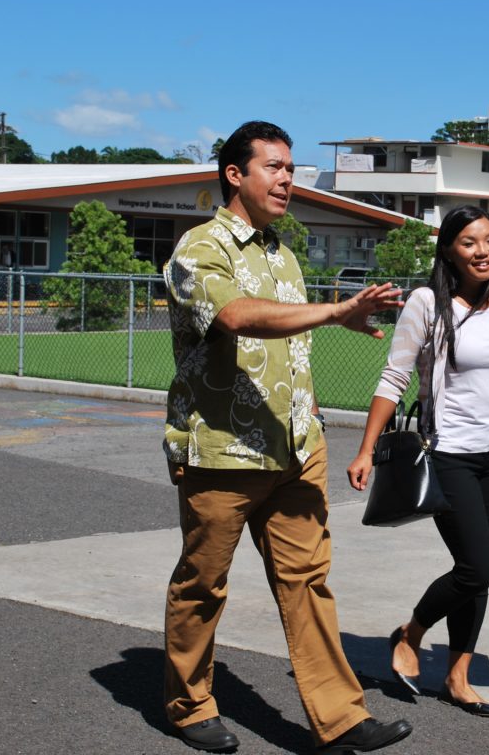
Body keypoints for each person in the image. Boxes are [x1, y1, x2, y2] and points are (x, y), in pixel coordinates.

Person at [163, 120, 413, 754]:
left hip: (296, 449)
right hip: (223, 451)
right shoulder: (202, 247)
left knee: (308, 581)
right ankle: (190, 705)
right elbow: (235, 317)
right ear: (235, 174)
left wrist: (316, 410)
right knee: (203, 581)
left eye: (291, 169)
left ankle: (341, 718)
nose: (287, 179)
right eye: (274, 167)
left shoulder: (283, 253)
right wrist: (335, 311)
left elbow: (290, 351)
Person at [347, 205, 489, 718]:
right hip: (448, 456)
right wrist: (367, 448)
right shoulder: (427, 304)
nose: (483, 251)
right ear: (450, 249)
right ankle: (410, 634)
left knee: (477, 571)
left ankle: (457, 675)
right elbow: (394, 379)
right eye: (470, 242)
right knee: (477, 566)